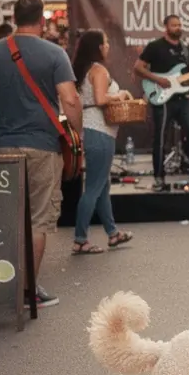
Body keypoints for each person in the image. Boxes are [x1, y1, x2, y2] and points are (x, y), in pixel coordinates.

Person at [0, 0, 83, 309]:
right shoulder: (54, 53)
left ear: (15, 15)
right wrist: (76, 136)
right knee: (37, 220)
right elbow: (71, 100)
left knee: (5, 219)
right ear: (41, 20)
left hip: (1, 146)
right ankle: (28, 290)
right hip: (42, 145)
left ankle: (1, 282)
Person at [70, 29, 134, 255]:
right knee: (94, 188)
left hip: (93, 129)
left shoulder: (84, 69)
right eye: (106, 42)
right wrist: (120, 94)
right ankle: (80, 239)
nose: (108, 46)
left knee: (102, 185)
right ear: (98, 47)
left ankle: (112, 233)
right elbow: (100, 99)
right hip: (100, 131)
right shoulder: (98, 70)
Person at [134, 15, 189, 191]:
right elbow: (138, 68)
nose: (178, 27)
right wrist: (158, 79)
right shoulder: (155, 47)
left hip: (182, 98)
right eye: (174, 25)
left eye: (180, 24)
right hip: (163, 98)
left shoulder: (187, 48)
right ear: (166, 27)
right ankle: (159, 178)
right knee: (160, 139)